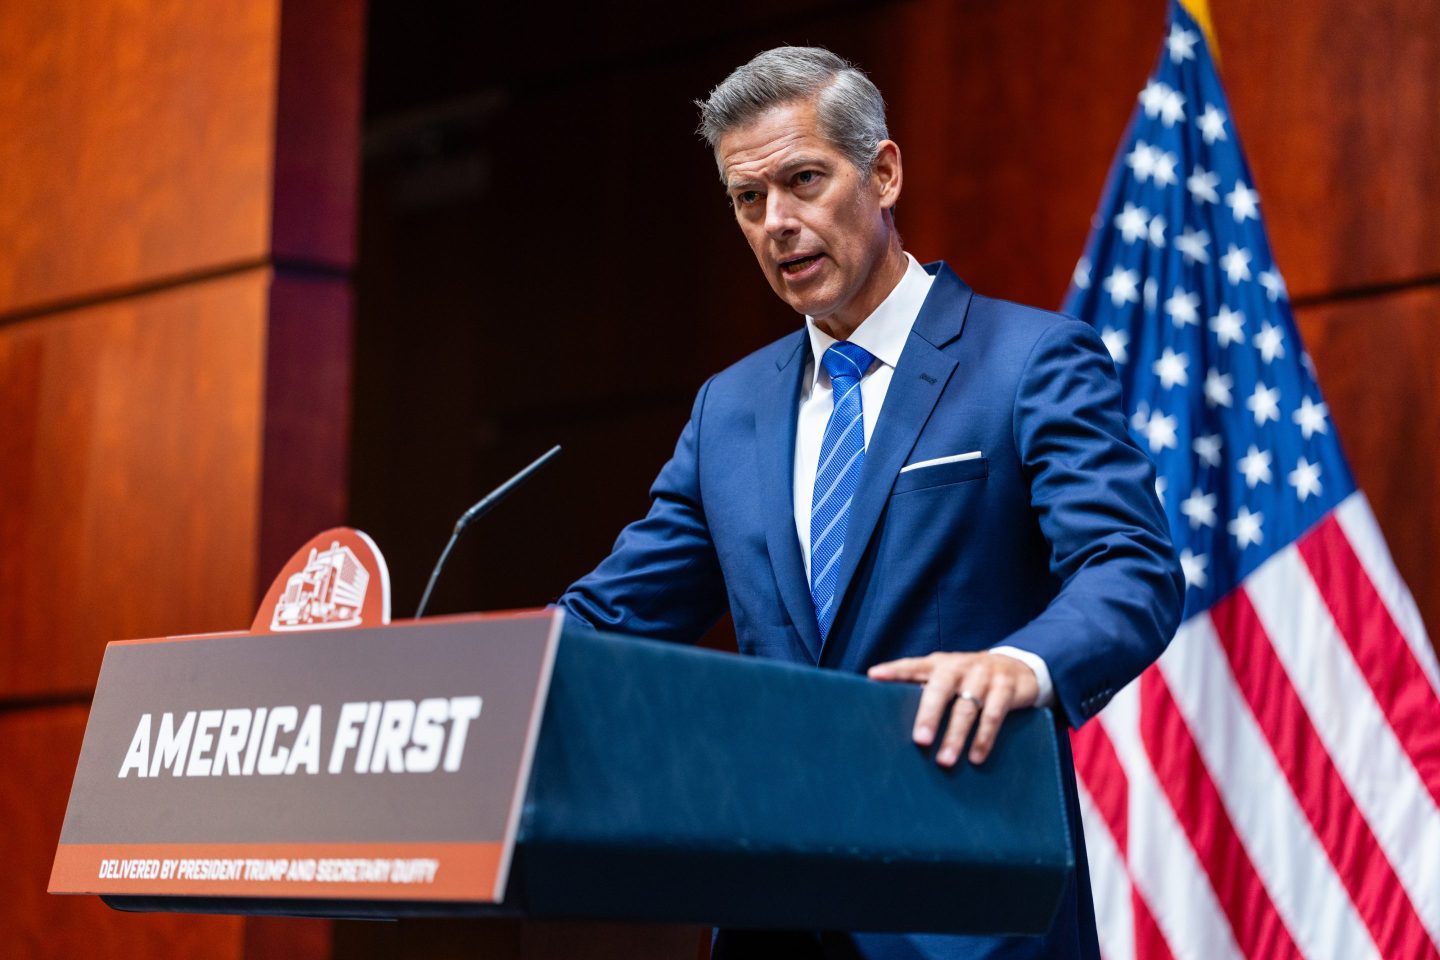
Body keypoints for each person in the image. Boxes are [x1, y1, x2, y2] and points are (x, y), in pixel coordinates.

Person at [558, 46, 1183, 959]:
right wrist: (467, 677)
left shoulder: (1028, 361)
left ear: (883, 173)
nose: (778, 222)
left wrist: (1022, 663)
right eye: (748, 199)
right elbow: (611, 616)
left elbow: (1128, 567)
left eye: (804, 180)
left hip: (965, 902)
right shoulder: (729, 409)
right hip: (777, 909)